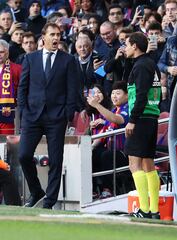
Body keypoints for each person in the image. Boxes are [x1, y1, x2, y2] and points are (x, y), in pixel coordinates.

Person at [17, 22, 80, 209]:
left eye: (58, 34)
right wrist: (23, 111)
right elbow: (23, 87)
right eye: (52, 34)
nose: (56, 38)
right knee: (23, 155)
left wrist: (67, 114)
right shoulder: (30, 59)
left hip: (56, 117)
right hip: (32, 116)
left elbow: (72, 89)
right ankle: (36, 191)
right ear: (42, 37)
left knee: (55, 160)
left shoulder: (68, 60)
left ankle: (49, 201)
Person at [124, 32, 161, 219]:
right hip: (151, 117)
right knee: (148, 164)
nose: (125, 48)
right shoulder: (151, 65)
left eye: (127, 44)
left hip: (141, 119)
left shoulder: (140, 66)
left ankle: (145, 209)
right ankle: (154, 210)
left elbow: (140, 94)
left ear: (135, 46)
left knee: (134, 164)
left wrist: (132, 119)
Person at [88, 81, 130, 198]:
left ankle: (109, 189)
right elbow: (104, 133)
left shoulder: (127, 108)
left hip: (124, 153)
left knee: (106, 156)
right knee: (94, 154)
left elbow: (117, 120)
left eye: (118, 93)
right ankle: (94, 189)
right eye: (112, 93)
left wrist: (97, 105)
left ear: (127, 95)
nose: (114, 96)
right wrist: (90, 147)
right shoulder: (113, 110)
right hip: (111, 151)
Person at [0, 39, 21, 135]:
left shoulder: (17, 69)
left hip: (8, 113)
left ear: (7, 52)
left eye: (1, 52)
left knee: (7, 144)